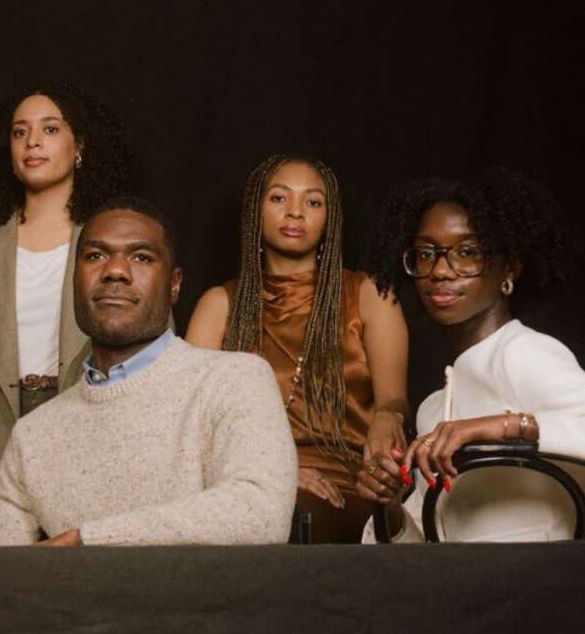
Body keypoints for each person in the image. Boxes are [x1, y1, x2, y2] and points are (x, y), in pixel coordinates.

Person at [0, 198, 297, 546]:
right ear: (73, 280)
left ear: (174, 285)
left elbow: (261, 514)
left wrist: (92, 539)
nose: (115, 270)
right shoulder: (32, 436)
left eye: (141, 257)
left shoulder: (234, 381)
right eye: (95, 255)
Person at [0, 83, 137, 545]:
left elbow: (150, 359)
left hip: (91, 447)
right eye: (19, 132)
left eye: (49, 129)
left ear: (79, 145)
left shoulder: (115, 239)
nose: (33, 142)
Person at [186, 156, 409, 543]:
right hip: (244, 481)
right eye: (278, 198)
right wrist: (276, 473)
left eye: (313, 202)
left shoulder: (369, 294)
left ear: (330, 218)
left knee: (289, 519)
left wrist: (389, 417)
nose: (295, 212)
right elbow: (189, 426)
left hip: (343, 486)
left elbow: (394, 402)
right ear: (256, 209)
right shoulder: (220, 305)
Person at [357, 170, 585, 542]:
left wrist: (496, 428)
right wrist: (389, 505)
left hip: (545, 589)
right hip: (463, 592)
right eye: (426, 254)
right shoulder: (434, 408)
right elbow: (427, 551)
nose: (441, 271)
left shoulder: (525, 354)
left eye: (466, 253)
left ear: (508, 269)